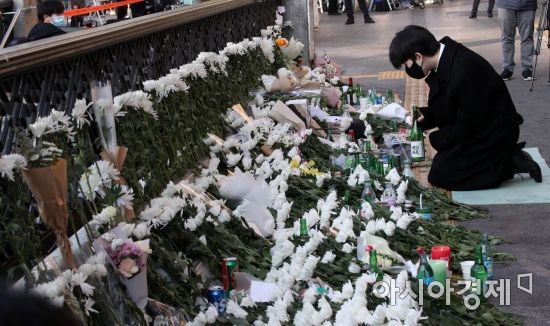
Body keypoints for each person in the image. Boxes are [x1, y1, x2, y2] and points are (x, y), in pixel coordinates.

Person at [389, 25, 541, 191]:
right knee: (444, 164)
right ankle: (498, 160)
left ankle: (510, 162)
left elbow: (470, 124)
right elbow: (455, 105)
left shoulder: (462, 69)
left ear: (418, 57)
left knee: (442, 174)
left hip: (495, 132)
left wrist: (437, 139)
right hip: (479, 123)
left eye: (406, 64)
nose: (407, 70)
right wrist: (428, 117)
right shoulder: (445, 59)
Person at [496, 0, 537, 81]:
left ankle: (527, 68)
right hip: (505, 4)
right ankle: (507, 68)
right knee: (506, 38)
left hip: (528, 4)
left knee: (527, 37)